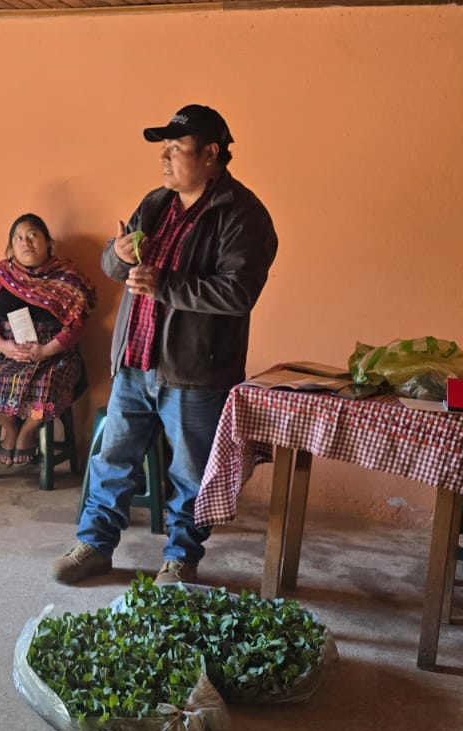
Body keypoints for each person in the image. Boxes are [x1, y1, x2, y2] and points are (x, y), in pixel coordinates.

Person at [53, 104, 278, 587]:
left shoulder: (242, 215)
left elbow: (238, 292)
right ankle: (94, 545)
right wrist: (116, 256)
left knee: (190, 474)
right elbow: (118, 267)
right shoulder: (156, 203)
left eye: (176, 149)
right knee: (112, 461)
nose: (164, 159)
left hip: (196, 371)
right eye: (164, 149)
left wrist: (165, 285)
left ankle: (180, 559)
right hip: (135, 360)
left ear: (211, 154)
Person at [0, 213, 95, 466]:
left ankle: (27, 433)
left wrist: (46, 351)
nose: (26, 242)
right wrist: (4, 346)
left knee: (46, 382)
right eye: (18, 238)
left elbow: (78, 324)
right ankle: (10, 428)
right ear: (11, 247)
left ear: (48, 242)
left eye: (33, 235)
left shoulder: (67, 277)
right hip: (5, 349)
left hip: (53, 351)